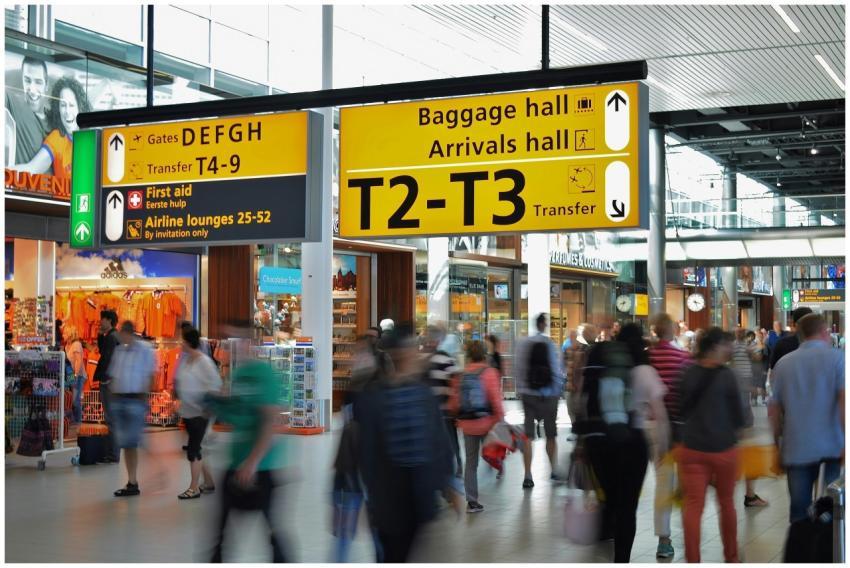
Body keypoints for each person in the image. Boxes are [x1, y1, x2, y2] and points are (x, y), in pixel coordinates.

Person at [353, 326, 454, 562]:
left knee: (403, 552)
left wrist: (448, 482)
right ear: (400, 355)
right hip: (389, 498)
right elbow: (366, 453)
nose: (417, 354)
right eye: (412, 349)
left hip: (418, 496)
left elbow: (437, 439)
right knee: (392, 554)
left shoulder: (422, 393)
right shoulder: (373, 397)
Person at [576, 323, 668, 562]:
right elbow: (660, 414)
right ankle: (621, 560)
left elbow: (581, 399)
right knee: (628, 508)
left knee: (611, 499)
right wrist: (664, 447)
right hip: (633, 443)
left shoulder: (604, 364)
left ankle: (606, 530)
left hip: (601, 440)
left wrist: (582, 440)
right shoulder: (645, 371)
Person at [206, 320, 289, 562]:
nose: (234, 346)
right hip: (237, 463)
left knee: (273, 532)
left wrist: (252, 463)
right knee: (220, 533)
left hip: (262, 467)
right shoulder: (237, 373)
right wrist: (214, 404)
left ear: (252, 343)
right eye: (230, 341)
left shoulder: (265, 374)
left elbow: (268, 422)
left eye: (239, 340)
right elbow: (237, 413)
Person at [769, 313, 845, 523]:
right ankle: (827, 551)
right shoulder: (838, 359)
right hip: (831, 446)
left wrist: (777, 447)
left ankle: (802, 551)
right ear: (824, 332)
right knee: (830, 509)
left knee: (798, 512)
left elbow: (774, 410)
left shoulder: (783, 364)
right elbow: (843, 402)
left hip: (796, 448)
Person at [678, 328, 743, 563]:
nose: (730, 349)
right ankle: (731, 557)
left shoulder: (687, 372)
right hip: (724, 448)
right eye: (726, 345)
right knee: (726, 503)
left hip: (692, 448)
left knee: (693, 506)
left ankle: (693, 560)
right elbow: (739, 416)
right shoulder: (727, 375)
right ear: (714, 347)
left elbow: (680, 409)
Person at [647, 313, 692, 559]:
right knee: (679, 482)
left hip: (649, 424)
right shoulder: (682, 357)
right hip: (676, 427)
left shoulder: (646, 356)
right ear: (672, 330)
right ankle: (683, 528)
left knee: (661, 483)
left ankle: (664, 539)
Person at [450, 340, 504, 513]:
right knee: (493, 450)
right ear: (484, 354)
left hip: (467, 425)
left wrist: (457, 419)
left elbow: (455, 402)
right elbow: (495, 399)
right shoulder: (490, 373)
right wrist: (500, 420)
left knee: (470, 463)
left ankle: (472, 502)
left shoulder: (461, 375)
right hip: (487, 423)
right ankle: (497, 467)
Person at [513, 313, 565, 489]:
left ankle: (528, 476)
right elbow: (556, 369)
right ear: (544, 325)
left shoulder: (523, 344)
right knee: (551, 435)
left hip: (528, 395)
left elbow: (518, 369)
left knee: (528, 435)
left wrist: (521, 390)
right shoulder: (549, 344)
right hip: (548, 396)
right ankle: (554, 470)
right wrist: (557, 392)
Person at [108, 321, 156, 497]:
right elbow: (115, 374)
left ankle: (157, 471)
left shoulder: (145, 350)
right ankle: (132, 482)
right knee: (127, 444)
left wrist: (145, 399)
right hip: (120, 401)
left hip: (136, 400)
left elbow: (151, 375)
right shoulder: (120, 350)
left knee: (134, 442)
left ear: (128, 333)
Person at [175, 326, 222, 500]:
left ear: (188, 342)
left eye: (182, 340)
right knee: (197, 449)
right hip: (188, 412)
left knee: (193, 451)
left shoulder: (204, 362)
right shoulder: (186, 360)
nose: (180, 343)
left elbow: (215, 386)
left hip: (200, 413)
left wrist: (207, 409)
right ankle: (208, 482)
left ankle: (193, 487)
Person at [14, 76, 90, 181]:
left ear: (80, 107)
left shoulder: (92, 139)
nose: (67, 111)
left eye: (71, 105)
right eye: (63, 105)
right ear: (57, 109)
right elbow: (32, 169)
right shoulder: (58, 138)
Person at [731, 328, 769, 508]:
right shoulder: (734, 348)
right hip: (741, 391)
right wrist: (755, 389)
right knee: (746, 439)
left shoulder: (746, 347)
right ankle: (749, 493)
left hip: (742, 389)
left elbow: (757, 359)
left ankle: (749, 492)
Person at [423, 325, 463, 478]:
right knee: (451, 440)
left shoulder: (425, 360)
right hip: (444, 409)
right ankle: (456, 465)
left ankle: (451, 466)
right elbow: (455, 380)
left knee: (443, 440)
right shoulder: (446, 359)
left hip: (436, 410)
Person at [5, 56, 50, 165]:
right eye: (27, 81)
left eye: (38, 82)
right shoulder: (13, 101)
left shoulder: (57, 118)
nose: (32, 90)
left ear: (46, 85)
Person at [94, 310, 121, 464]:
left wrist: (105, 379)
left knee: (111, 418)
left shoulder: (112, 337)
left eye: (102, 319)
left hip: (109, 381)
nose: (100, 322)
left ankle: (113, 454)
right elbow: (104, 352)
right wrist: (99, 335)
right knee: (111, 418)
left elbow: (106, 358)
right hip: (113, 381)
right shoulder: (112, 336)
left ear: (109, 320)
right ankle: (112, 453)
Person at [63, 324, 86, 425]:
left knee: (75, 400)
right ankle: (72, 422)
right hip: (70, 374)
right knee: (70, 399)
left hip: (78, 375)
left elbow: (79, 361)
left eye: (65, 333)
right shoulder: (67, 346)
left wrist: (75, 376)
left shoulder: (76, 344)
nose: (63, 334)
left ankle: (78, 422)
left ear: (70, 334)